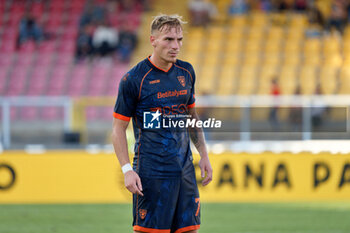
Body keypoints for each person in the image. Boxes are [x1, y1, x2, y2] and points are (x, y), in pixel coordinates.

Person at [111, 14, 213, 233]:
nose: (175, 46)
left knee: (191, 231)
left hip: (185, 171)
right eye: (168, 39)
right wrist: (127, 169)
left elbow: (192, 118)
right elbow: (118, 129)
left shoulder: (186, 72)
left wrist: (203, 155)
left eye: (179, 40)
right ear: (153, 40)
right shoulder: (134, 79)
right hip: (151, 173)